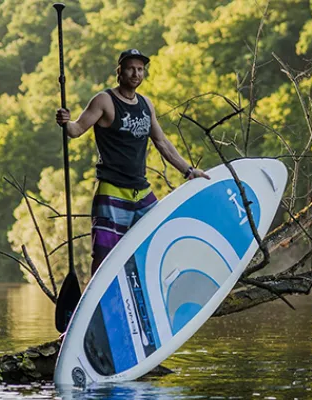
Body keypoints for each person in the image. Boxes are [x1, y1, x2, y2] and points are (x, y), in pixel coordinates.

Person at [56, 49, 210, 277]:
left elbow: (161, 142)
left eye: (140, 69)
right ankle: (99, 305)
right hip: (112, 191)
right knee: (104, 254)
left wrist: (188, 170)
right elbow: (77, 129)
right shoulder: (104, 100)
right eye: (130, 68)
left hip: (142, 192)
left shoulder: (146, 105)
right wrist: (65, 122)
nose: (136, 73)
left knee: (159, 242)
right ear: (119, 72)